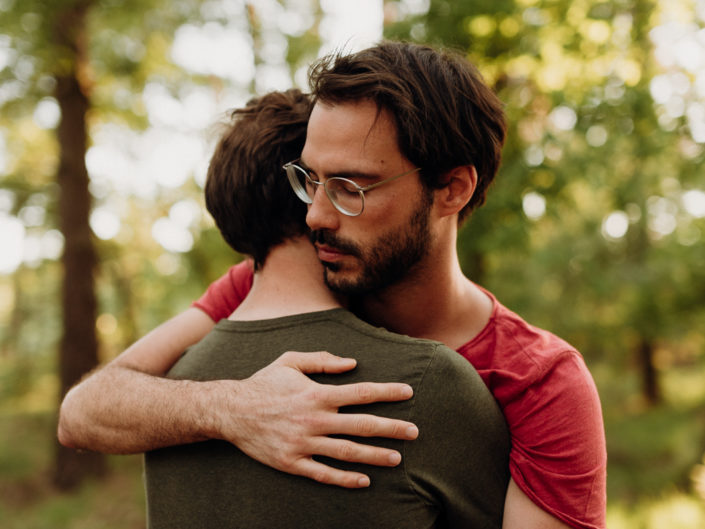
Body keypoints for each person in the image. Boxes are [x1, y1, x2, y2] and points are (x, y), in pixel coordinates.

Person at [59, 41, 607, 529]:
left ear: (451, 189)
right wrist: (234, 408)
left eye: (350, 187)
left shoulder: (542, 383)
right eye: (309, 180)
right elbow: (85, 410)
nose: (315, 216)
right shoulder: (298, 269)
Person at [144, 88, 510, 528]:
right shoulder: (430, 383)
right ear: (303, 198)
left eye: (347, 185)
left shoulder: (164, 397)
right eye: (318, 183)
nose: (321, 210)